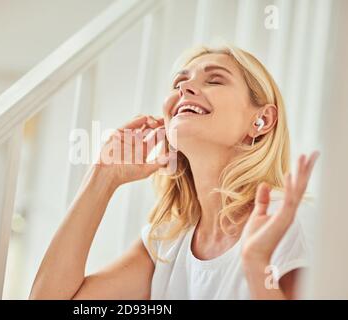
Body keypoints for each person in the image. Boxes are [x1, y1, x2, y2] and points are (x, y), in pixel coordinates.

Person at [29, 44, 319, 300]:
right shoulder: (167, 242)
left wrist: (257, 268)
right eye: (180, 82)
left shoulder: (289, 221)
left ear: (262, 120)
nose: (184, 89)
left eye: (214, 79)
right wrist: (102, 177)